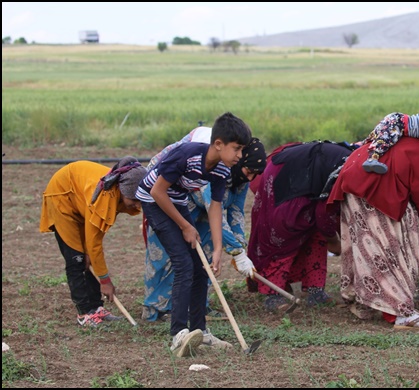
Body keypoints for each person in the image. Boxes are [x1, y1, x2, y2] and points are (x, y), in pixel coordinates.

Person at [136, 112, 254, 357]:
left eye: (242, 150)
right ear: (218, 144)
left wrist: (219, 248)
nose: (240, 156)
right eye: (237, 149)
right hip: (153, 199)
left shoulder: (222, 170)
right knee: (183, 264)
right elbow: (158, 192)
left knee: (202, 266)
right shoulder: (186, 154)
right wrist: (185, 226)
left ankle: (200, 331)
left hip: (175, 199)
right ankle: (178, 334)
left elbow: (215, 207)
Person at [328, 136, 419, 329]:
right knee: (392, 250)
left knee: (365, 245)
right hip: (378, 184)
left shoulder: (413, 138)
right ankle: (401, 313)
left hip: (353, 177)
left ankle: (363, 304)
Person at [39, 156, 147, 327]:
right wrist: (105, 281)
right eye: (134, 200)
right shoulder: (104, 197)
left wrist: (90, 252)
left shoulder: (117, 194)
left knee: (88, 257)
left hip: (81, 200)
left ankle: (96, 309)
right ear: (123, 190)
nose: (137, 206)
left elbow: (94, 239)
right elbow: (95, 243)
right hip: (63, 196)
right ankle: (84, 313)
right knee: (77, 259)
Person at [247, 141, 353, 312]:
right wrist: (334, 240)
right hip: (286, 182)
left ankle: (315, 291)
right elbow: (324, 212)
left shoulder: (358, 163)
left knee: (316, 235)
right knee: (282, 235)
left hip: (310, 186)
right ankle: (273, 294)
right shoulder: (354, 166)